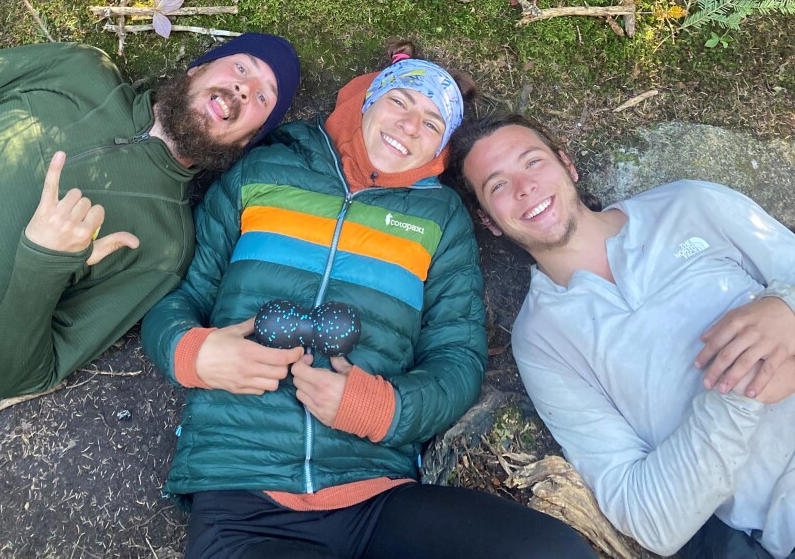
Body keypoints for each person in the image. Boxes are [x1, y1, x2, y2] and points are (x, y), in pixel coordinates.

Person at [142, 46, 597, 559]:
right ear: (369, 99)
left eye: (430, 123)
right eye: (400, 102)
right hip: (244, 498)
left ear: (441, 144)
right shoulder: (263, 169)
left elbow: (457, 358)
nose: (408, 126)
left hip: (378, 496)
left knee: (554, 551)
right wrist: (195, 354)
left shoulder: (440, 218)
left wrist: (381, 409)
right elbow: (178, 296)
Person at [451, 114, 795, 559]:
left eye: (532, 162)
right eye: (497, 185)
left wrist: (786, 305)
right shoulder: (541, 342)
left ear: (567, 164)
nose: (524, 187)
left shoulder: (690, 205)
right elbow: (651, 520)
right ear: (489, 221)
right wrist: (739, 393)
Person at [0, 34, 299, 399]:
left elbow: (18, 376)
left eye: (263, 98)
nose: (244, 89)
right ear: (196, 69)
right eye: (242, 68)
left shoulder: (163, 247)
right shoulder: (80, 68)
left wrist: (44, 262)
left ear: (246, 142)